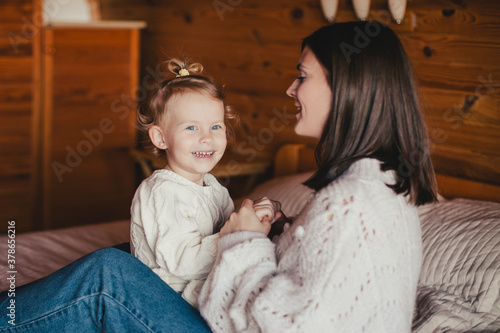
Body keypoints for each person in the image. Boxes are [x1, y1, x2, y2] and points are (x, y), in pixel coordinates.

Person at [0, 21, 436, 332]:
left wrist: (246, 239)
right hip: (197, 290)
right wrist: (278, 231)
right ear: (160, 136)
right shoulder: (376, 185)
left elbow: (290, 321)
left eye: (302, 77)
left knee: (109, 273)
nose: (290, 89)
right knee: (128, 255)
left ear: (345, 88)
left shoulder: (352, 202)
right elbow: (318, 284)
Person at [130, 58, 280, 308]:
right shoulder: (164, 192)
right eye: (191, 127)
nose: (206, 138)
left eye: (215, 127)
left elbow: (227, 226)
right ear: (160, 137)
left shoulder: (212, 185)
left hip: (198, 289)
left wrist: (258, 217)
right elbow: (182, 262)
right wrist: (240, 235)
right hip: (169, 302)